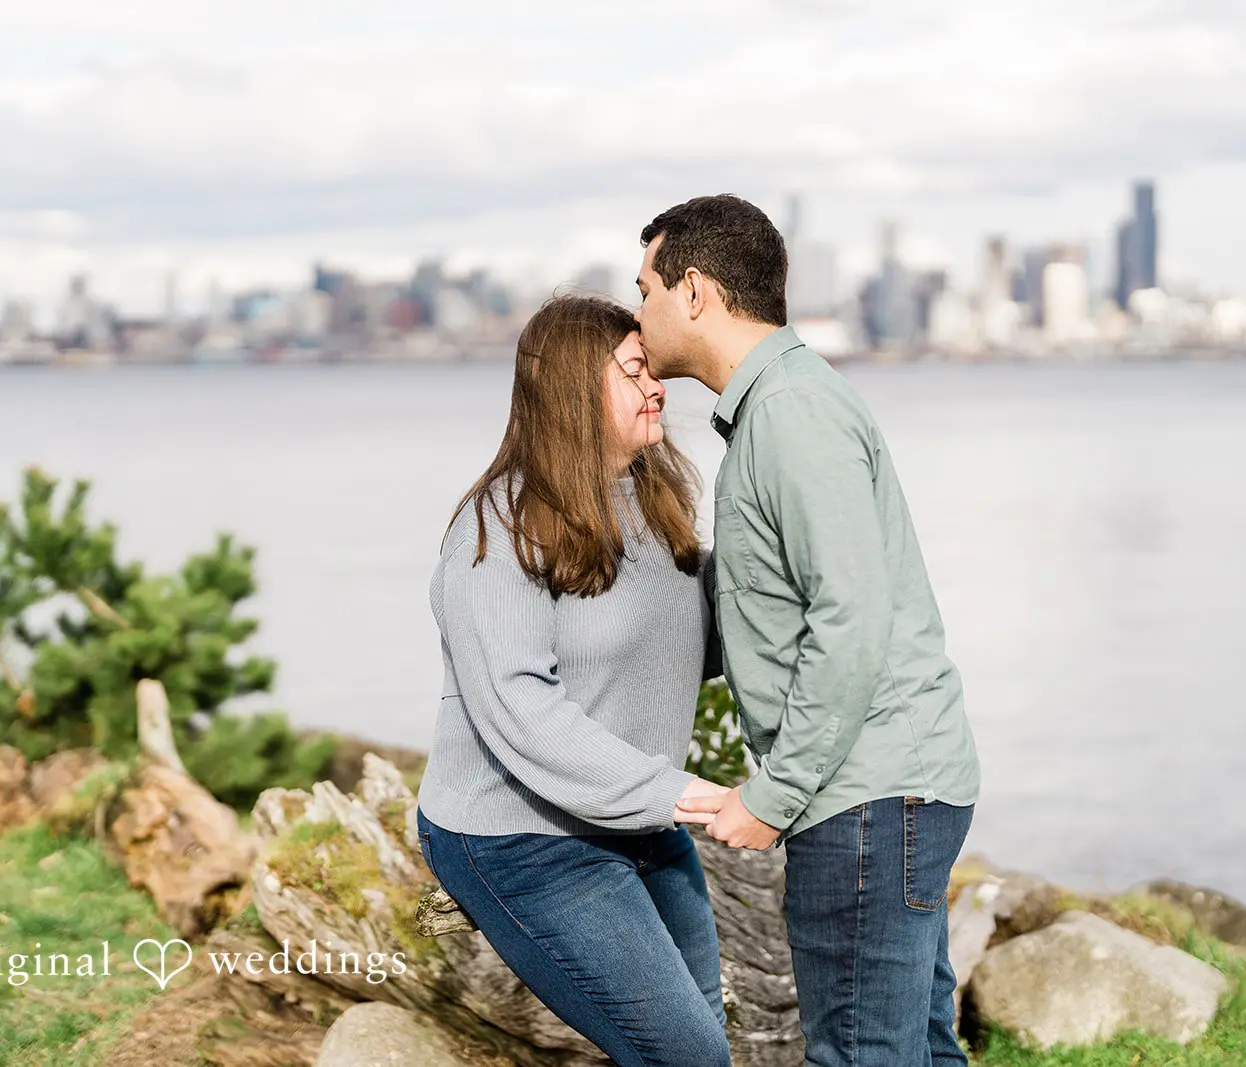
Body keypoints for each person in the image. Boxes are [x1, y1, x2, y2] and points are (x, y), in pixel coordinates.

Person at [636, 194, 982, 1066]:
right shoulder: (775, 411)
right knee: (915, 1049)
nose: (638, 314)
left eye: (645, 291)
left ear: (694, 292)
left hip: (866, 799)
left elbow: (849, 618)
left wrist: (772, 794)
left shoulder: (791, 414)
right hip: (885, 790)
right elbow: (767, 608)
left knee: (862, 1053)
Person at [414, 293, 734, 1067]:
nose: (658, 387)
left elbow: (690, 649)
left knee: (701, 1046)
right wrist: (690, 795)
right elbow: (523, 712)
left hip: (633, 819)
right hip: (518, 835)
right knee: (688, 1058)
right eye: (635, 371)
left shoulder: (654, 499)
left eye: (653, 371)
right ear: (574, 390)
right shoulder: (499, 530)